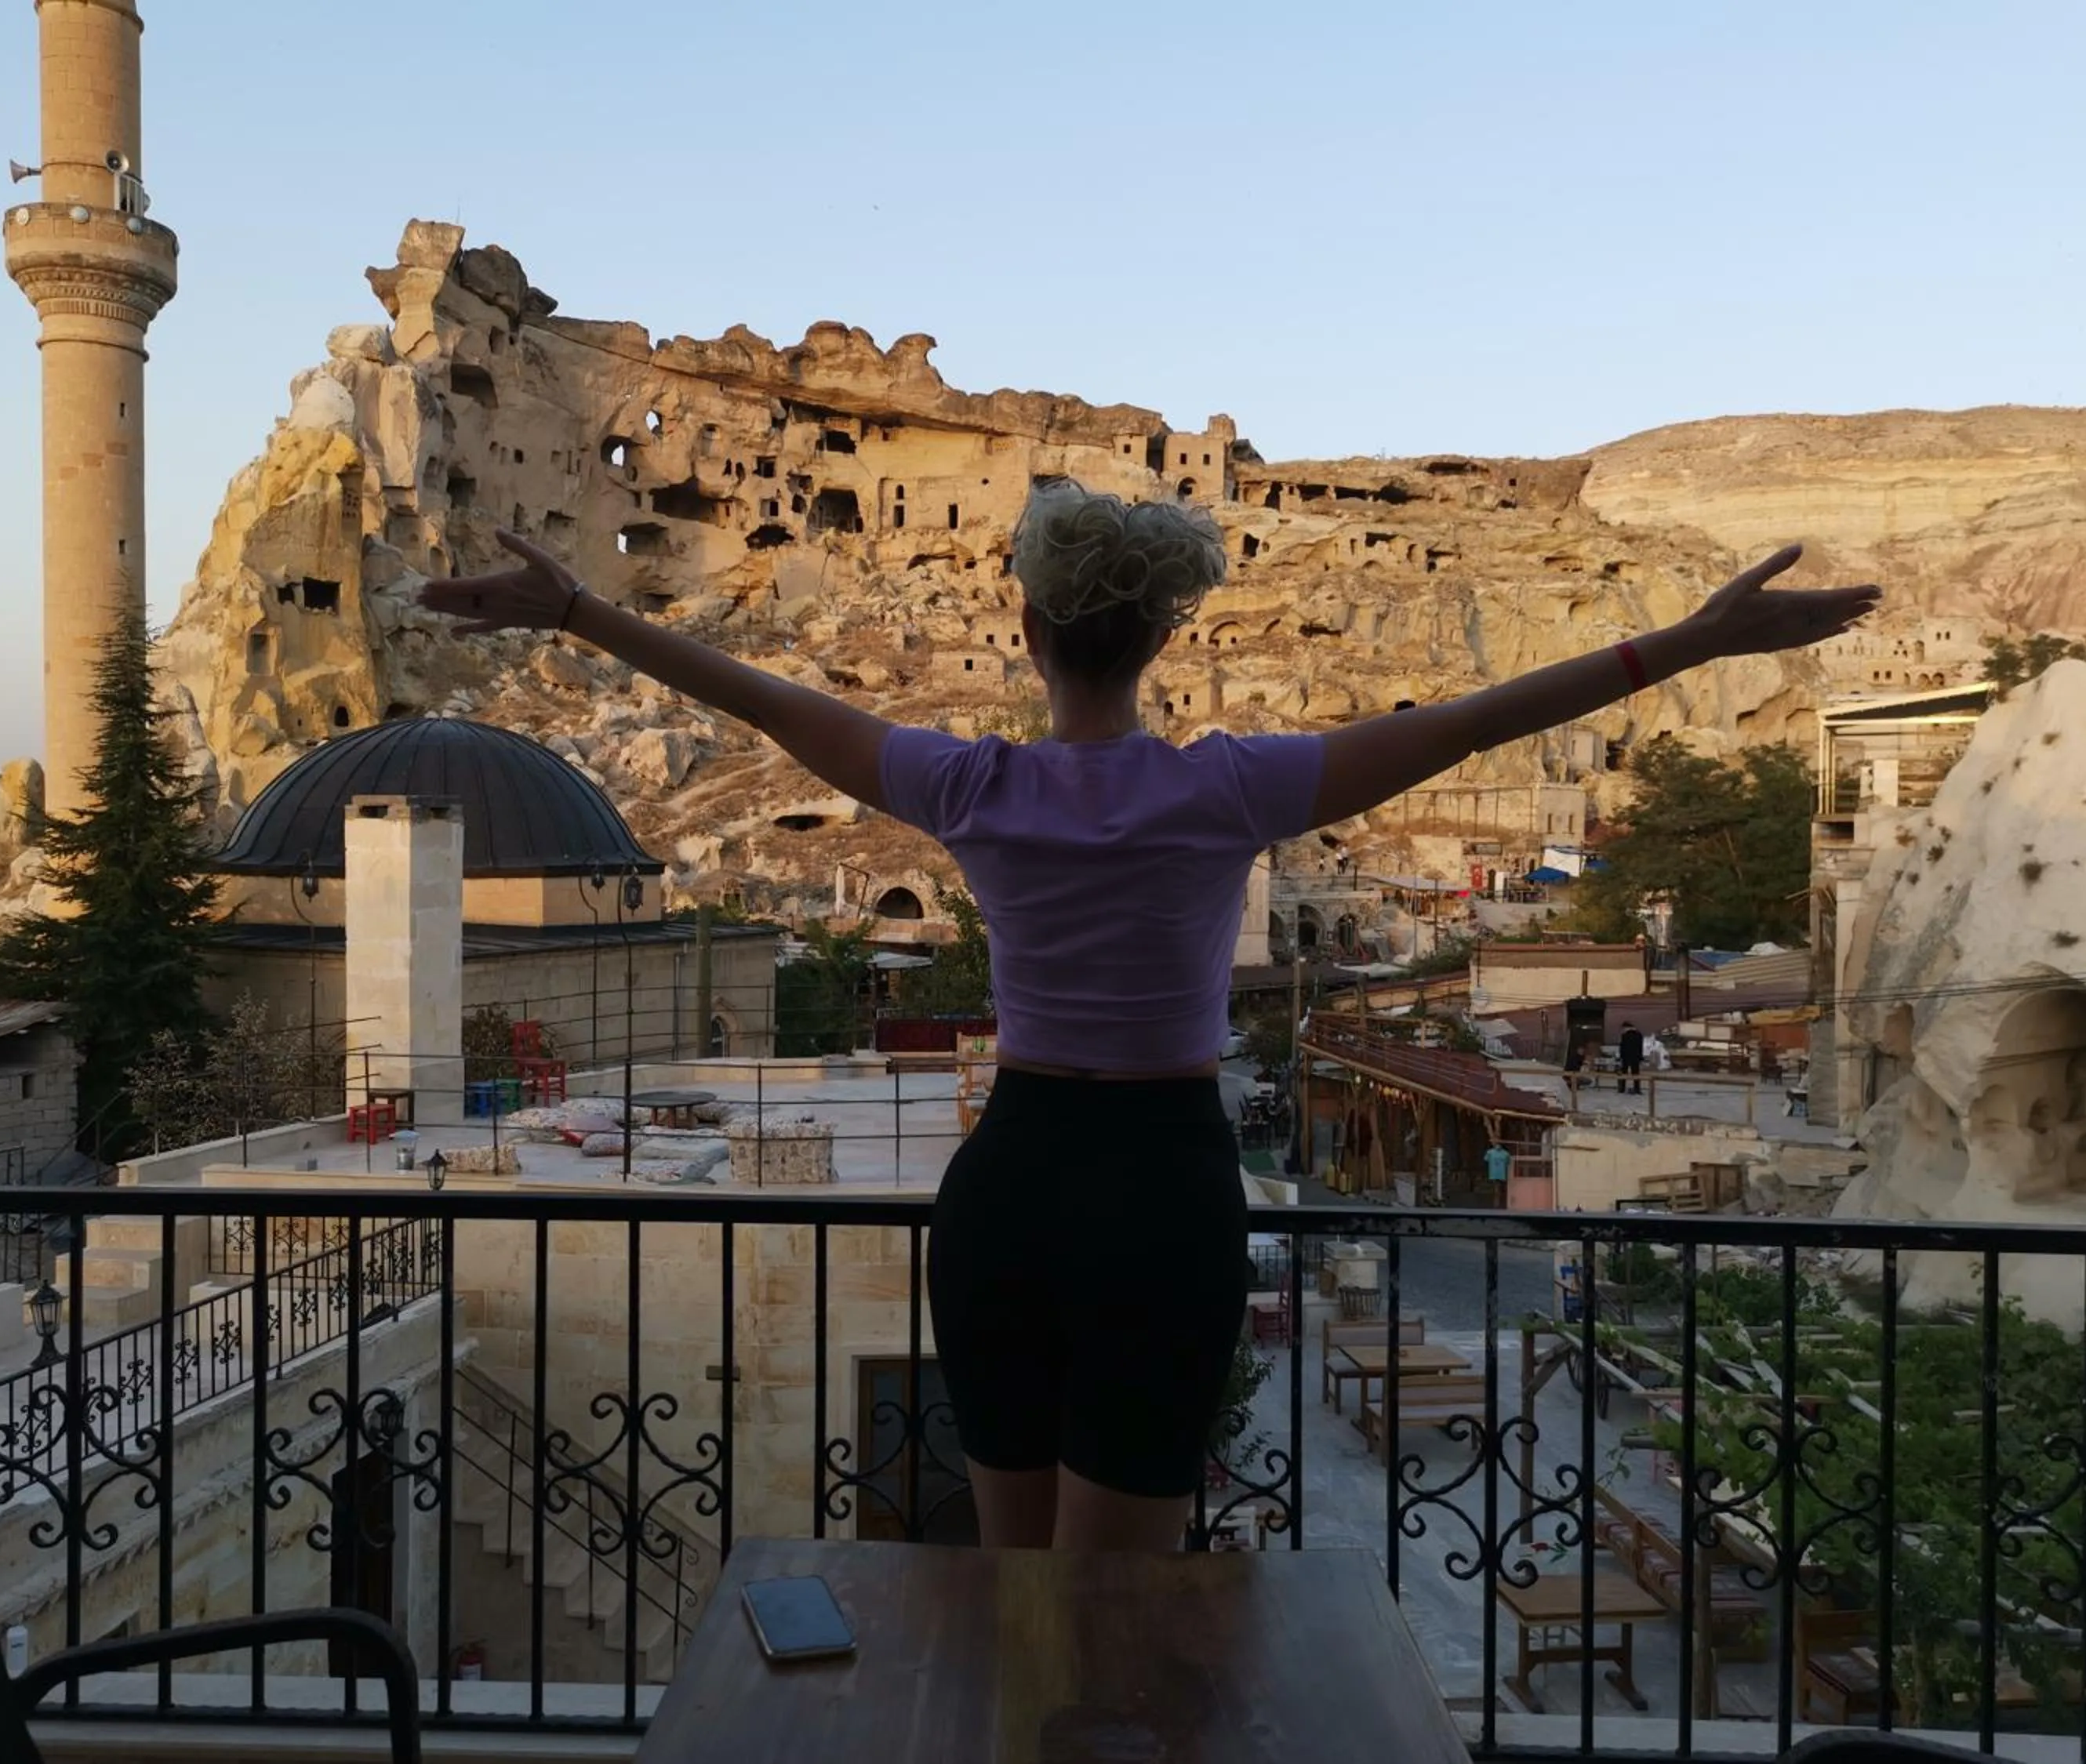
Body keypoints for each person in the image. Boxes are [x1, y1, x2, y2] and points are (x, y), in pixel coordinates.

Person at [422, 483, 1877, 1552]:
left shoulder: (970, 786)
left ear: (1033, 626)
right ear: (1163, 634)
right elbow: (1482, 721)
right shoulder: (1231, 789)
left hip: (1010, 1182)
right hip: (1167, 1185)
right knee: (1126, 1584)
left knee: (1011, 1570)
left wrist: (575, 609)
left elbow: (761, 702)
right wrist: (1688, 646)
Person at [1619, 1024, 1645, 1094]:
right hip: (1635, 1057)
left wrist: (1621, 1057)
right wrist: (1641, 1058)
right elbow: (1640, 1047)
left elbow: (1622, 1047)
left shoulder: (1624, 1035)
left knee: (1624, 1072)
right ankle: (1637, 1089)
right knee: (1636, 1073)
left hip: (1626, 1057)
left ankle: (1622, 1088)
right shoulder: (1639, 1035)